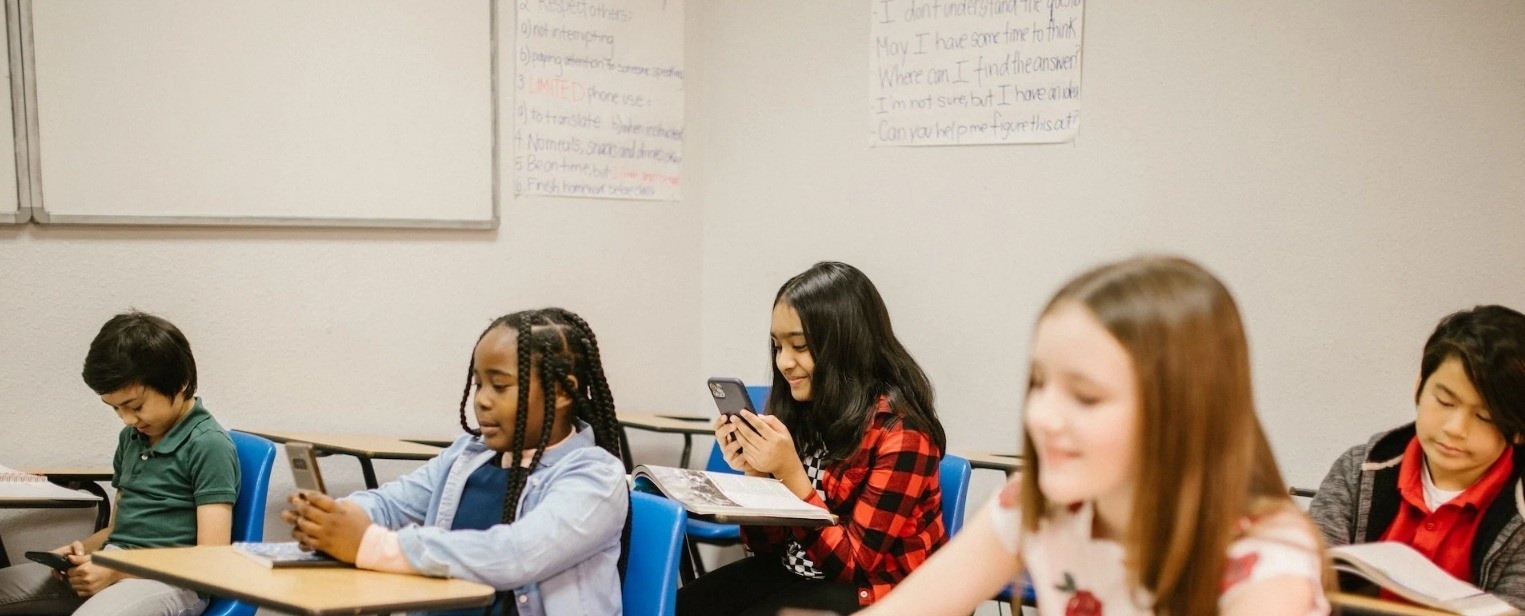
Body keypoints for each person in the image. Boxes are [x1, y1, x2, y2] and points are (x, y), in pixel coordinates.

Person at [862, 256, 1329, 616]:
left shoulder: (1267, 563)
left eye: (1085, 396)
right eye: (1039, 383)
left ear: (1183, 412)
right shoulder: (1033, 507)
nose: (1042, 416)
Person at [283, 308, 628, 616]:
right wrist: (333, 518)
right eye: (479, 384)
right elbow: (391, 504)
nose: (481, 401)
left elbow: (515, 554)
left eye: (500, 386)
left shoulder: (594, 477)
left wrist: (371, 544)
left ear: (563, 392)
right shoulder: (469, 456)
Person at [677, 261, 949, 615]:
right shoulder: (803, 411)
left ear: (847, 346)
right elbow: (765, 548)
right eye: (777, 346)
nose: (783, 362)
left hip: (878, 593)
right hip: (800, 573)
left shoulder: (902, 435)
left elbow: (851, 567)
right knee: (680, 607)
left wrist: (791, 475)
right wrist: (757, 475)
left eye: (800, 346)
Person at [0, 311, 240, 616]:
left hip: (173, 581)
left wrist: (116, 569)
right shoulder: (132, 438)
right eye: (115, 408)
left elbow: (212, 558)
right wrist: (83, 552)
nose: (127, 419)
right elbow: (119, 530)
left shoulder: (209, 444)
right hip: (115, 562)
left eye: (136, 406)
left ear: (181, 383)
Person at [1310, 305, 1525, 607]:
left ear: (1518, 431)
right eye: (1445, 401)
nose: (1456, 429)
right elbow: (1305, 580)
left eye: (1484, 417)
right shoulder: (1358, 471)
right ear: (1419, 388)